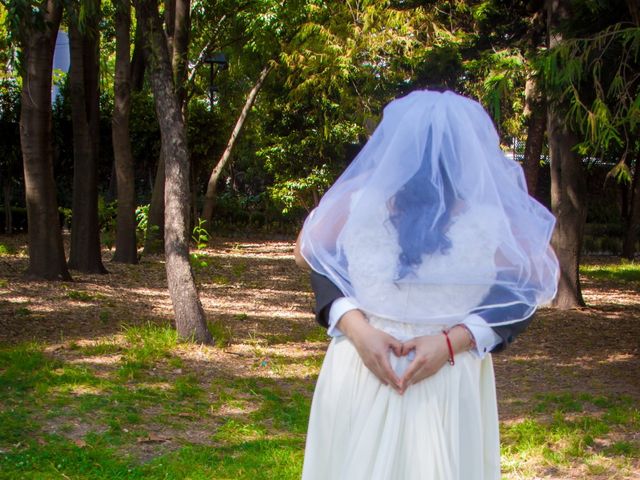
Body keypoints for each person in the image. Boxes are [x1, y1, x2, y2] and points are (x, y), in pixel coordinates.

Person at [293, 90, 559, 480]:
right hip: (435, 370)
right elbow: (532, 281)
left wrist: (358, 327)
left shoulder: (356, 199)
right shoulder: (492, 217)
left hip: (380, 364)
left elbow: (305, 254)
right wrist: (455, 340)